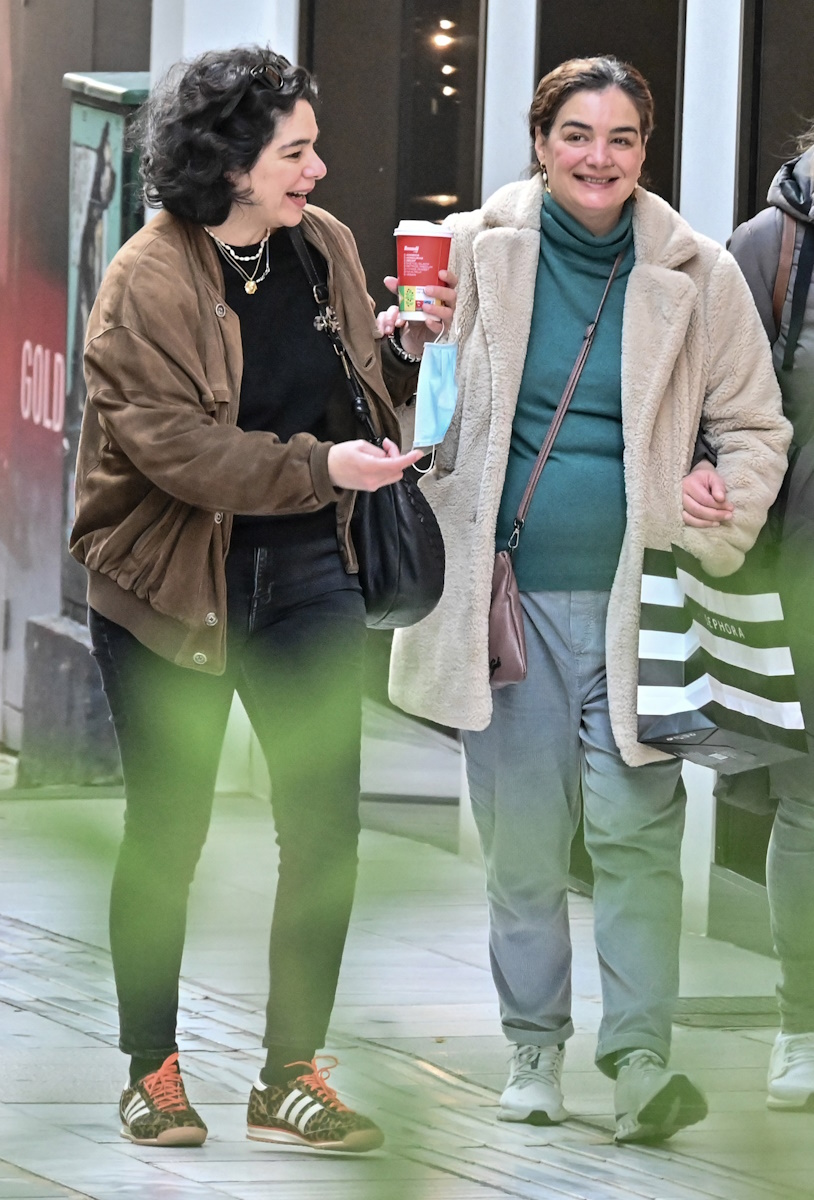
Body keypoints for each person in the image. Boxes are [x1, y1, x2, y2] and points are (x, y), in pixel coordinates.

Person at [384, 56, 791, 1142]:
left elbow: (755, 427)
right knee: (523, 845)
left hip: (642, 608)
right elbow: (420, 416)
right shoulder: (471, 250)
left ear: (644, 151)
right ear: (539, 141)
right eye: (576, 134)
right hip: (505, 606)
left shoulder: (698, 272)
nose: (597, 158)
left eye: (619, 138)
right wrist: (410, 348)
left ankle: (641, 1060)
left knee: (636, 838)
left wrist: (721, 499)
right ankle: (532, 1049)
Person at [70, 46, 454, 1151]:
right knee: (169, 830)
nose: (318, 171)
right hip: (169, 583)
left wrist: (400, 351)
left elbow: (349, 397)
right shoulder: (145, 278)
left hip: (307, 572)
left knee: (325, 830)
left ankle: (289, 1076)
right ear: (230, 162)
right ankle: (152, 1070)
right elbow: (181, 452)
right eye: (295, 152)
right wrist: (323, 467)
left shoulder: (320, 245)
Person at [725, 128, 814, 1112]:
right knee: (810, 808)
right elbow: (723, 414)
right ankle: (802, 1025)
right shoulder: (771, 248)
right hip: (801, 577)